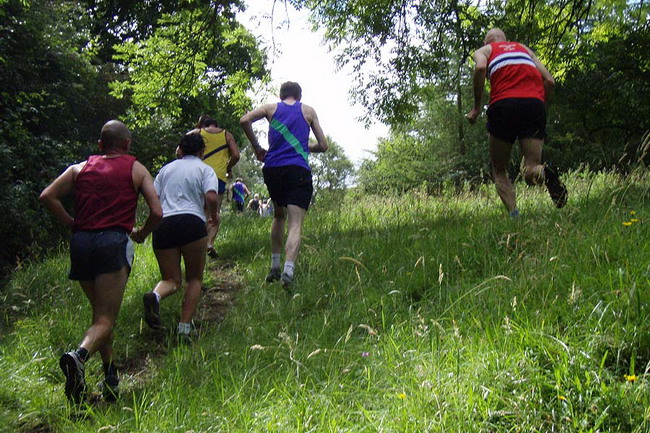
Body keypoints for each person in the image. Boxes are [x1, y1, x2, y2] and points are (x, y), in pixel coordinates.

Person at [39, 120, 162, 404]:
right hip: (112, 243)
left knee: (100, 316)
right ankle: (78, 357)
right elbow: (157, 211)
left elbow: (47, 195)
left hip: (81, 243)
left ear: (99, 145)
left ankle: (110, 375)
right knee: (106, 318)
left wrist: (72, 222)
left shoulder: (79, 168)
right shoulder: (135, 168)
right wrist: (141, 233)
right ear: (127, 144)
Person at [466, 28, 568, 217]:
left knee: (499, 170)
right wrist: (539, 108)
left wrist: (476, 108)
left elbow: (480, 68)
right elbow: (549, 81)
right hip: (534, 104)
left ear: (487, 42)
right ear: (505, 39)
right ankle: (544, 172)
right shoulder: (524, 49)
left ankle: (515, 216)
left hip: (503, 105)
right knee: (531, 169)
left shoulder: (485, 51)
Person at [239, 81, 328, 287]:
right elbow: (323, 145)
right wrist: (305, 147)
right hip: (297, 169)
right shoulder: (308, 111)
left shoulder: (270, 108)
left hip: (273, 168)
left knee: (279, 216)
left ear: (281, 96)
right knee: (295, 221)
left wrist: (256, 147)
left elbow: (245, 120)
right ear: (299, 96)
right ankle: (288, 271)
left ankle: (274, 266)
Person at [142, 132, 219, 344]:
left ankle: (155, 296)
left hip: (164, 224)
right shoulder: (205, 169)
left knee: (171, 279)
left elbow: (153, 198)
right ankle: (184, 328)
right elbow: (211, 196)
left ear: (181, 149)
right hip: (192, 223)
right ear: (202, 152)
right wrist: (213, 216)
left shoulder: (166, 170)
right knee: (194, 278)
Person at [187, 115, 240, 258]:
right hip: (218, 177)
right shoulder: (226, 134)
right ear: (216, 125)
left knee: (199, 211)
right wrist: (228, 168)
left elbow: (180, 148)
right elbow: (236, 155)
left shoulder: (197, 133)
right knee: (214, 213)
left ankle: (196, 244)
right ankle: (209, 243)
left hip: (197, 175)